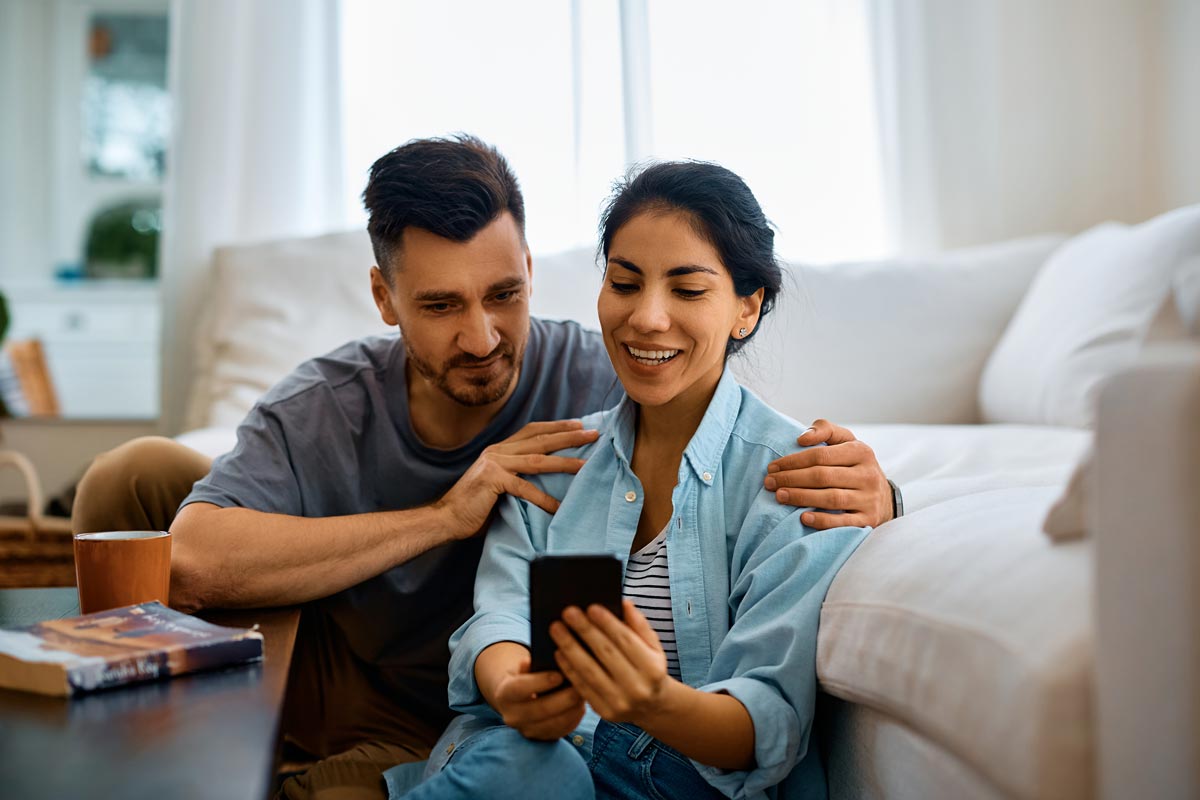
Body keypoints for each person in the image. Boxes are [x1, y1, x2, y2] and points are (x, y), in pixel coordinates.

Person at [71, 136, 899, 800]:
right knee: (135, 480)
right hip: (373, 672)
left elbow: (725, 417)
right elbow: (197, 557)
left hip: (497, 725)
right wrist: (446, 516)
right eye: (439, 305)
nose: (481, 337)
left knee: (511, 765)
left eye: (503, 294)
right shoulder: (329, 401)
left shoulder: (607, 375)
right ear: (385, 298)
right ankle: (154, 758)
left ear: (534, 272)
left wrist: (884, 497)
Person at [392, 161, 867, 800]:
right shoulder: (554, 464)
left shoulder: (800, 480)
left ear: (746, 309)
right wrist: (518, 689)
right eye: (624, 281)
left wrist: (651, 700)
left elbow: (766, 723)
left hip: (683, 780)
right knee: (538, 766)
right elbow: (497, 624)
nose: (645, 318)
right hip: (530, 760)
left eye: (688, 290)